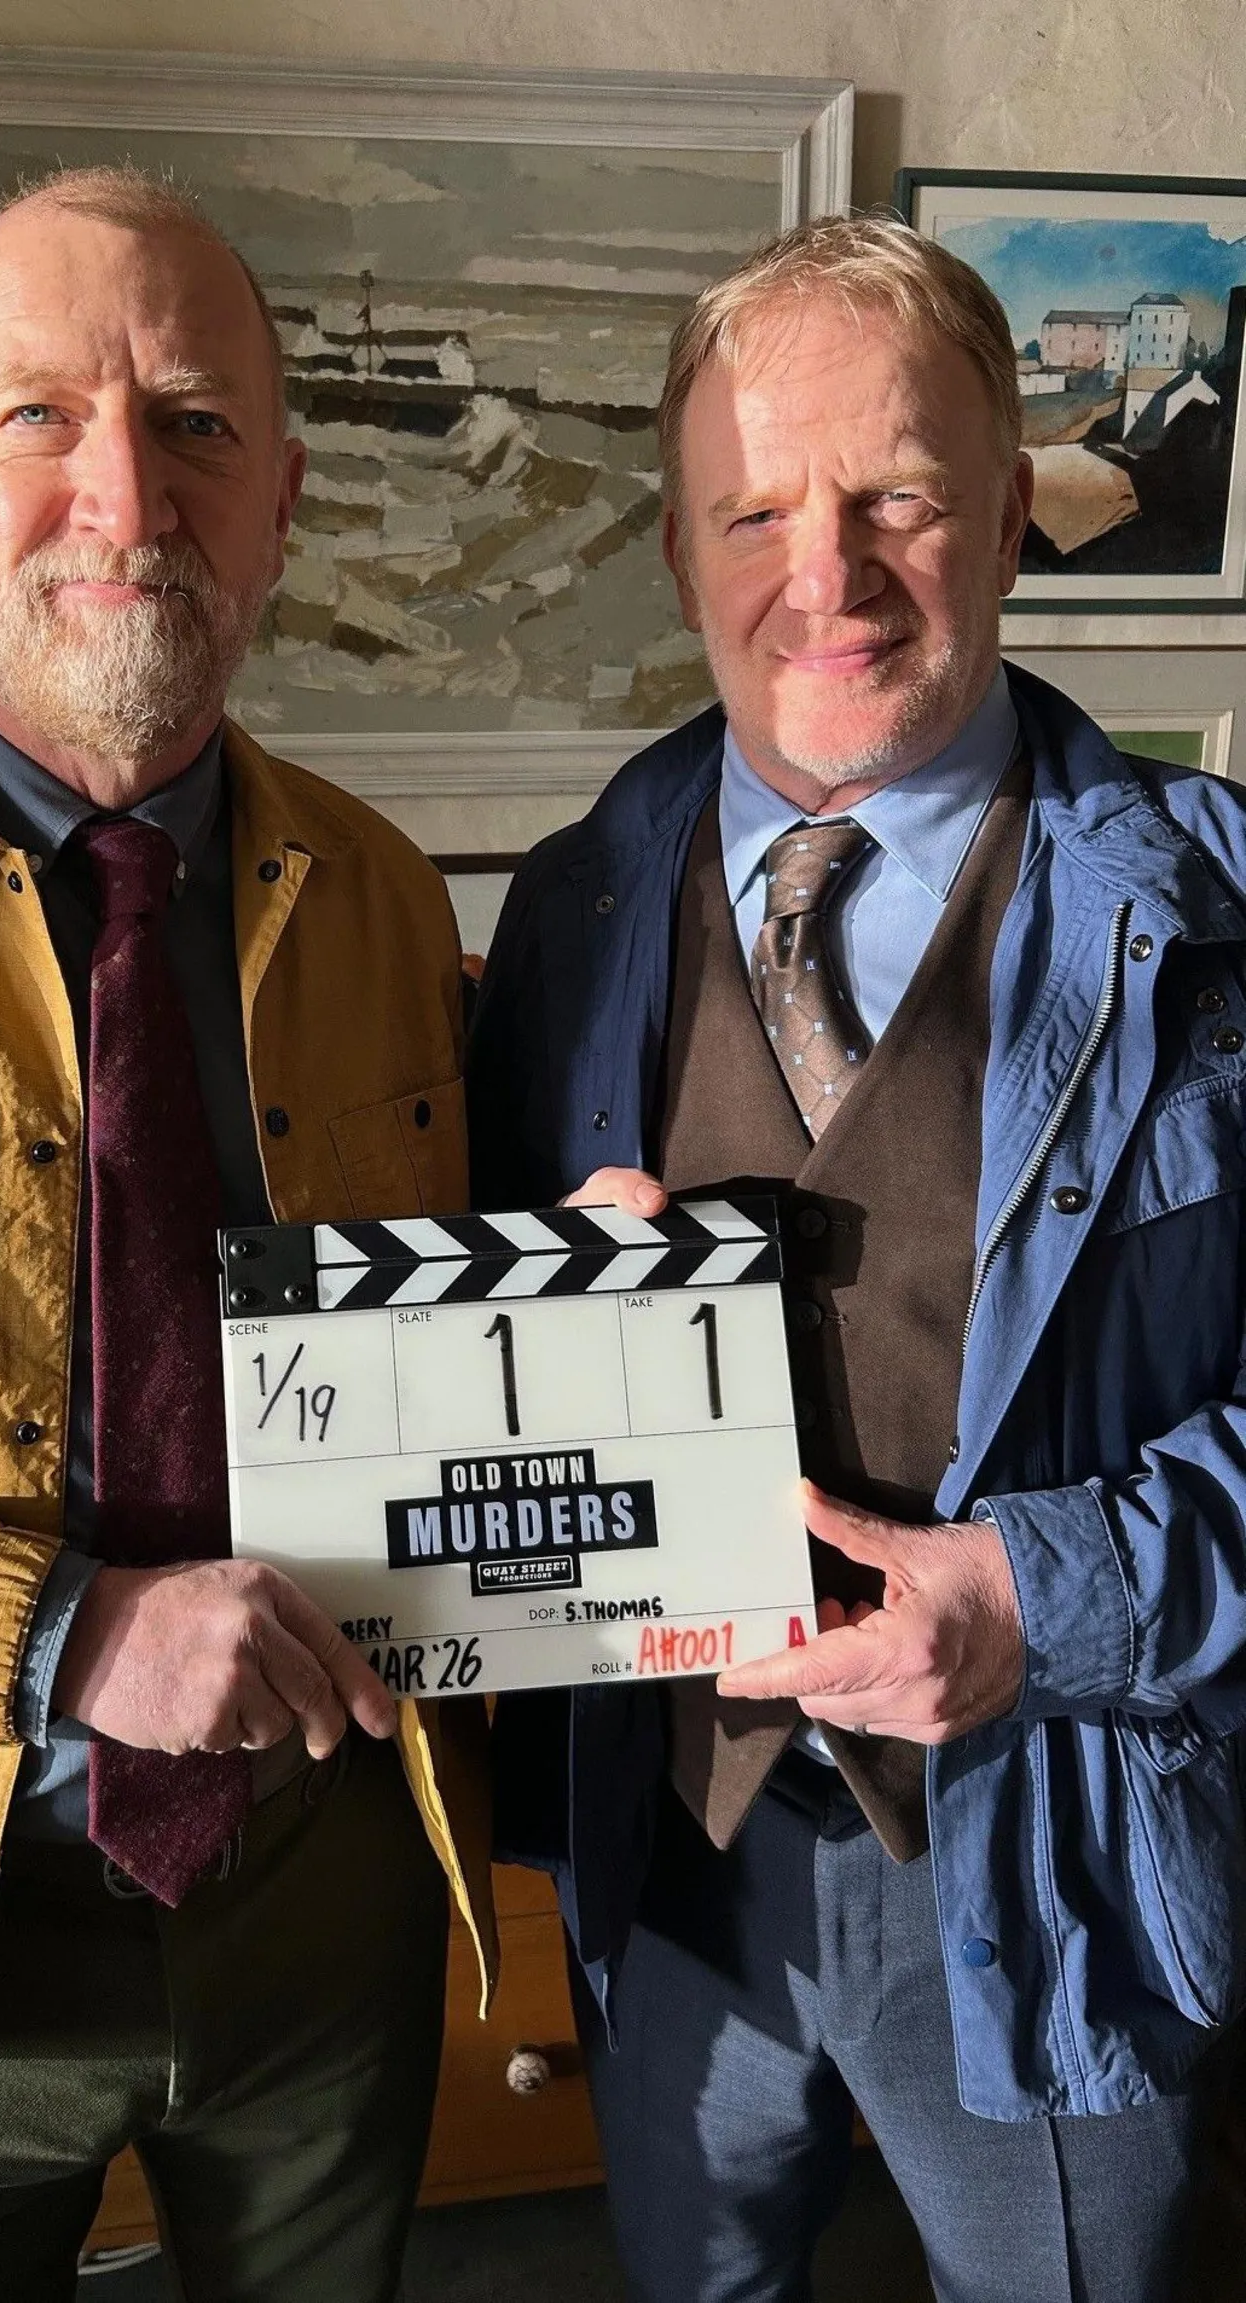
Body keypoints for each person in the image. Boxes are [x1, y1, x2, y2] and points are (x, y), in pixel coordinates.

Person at [0, 164, 492, 2303]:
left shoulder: (383, 892)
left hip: (321, 1904)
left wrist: (595, 1271)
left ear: (284, 498)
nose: (127, 496)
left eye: (197, 423)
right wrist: (65, 1632)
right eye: (41, 415)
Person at [467, 214, 1246, 2303]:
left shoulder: (1221, 921)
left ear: (1011, 513)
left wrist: (1043, 1593)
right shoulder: (567, 912)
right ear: (678, 550)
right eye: (755, 512)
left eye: (897, 495)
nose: (827, 574)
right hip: (677, 1859)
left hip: (1067, 1854)